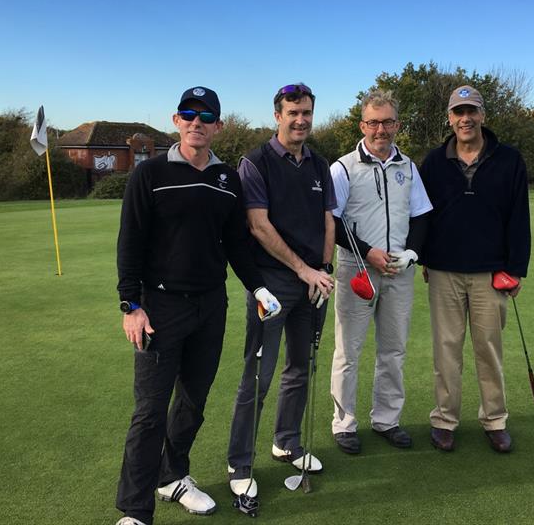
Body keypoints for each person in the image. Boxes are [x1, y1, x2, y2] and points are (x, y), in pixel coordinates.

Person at [114, 86, 280, 525]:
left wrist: (259, 288)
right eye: (188, 114)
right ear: (176, 120)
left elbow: (237, 244)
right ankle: (135, 510)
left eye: (206, 117)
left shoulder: (227, 179)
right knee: (150, 411)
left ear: (219, 126)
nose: (196, 122)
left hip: (211, 305)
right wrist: (131, 305)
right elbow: (129, 243)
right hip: (160, 307)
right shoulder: (148, 174)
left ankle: (174, 476)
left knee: (192, 401)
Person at [226, 83, 336, 499]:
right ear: (278, 116)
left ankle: (286, 441)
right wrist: (305, 269)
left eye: (306, 112)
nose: (301, 119)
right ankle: (239, 462)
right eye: (293, 112)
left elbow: (328, 221)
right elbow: (258, 226)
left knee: (300, 368)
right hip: (272, 286)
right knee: (259, 374)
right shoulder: (255, 163)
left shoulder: (319, 164)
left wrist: (323, 271)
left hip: (312, 281)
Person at [419, 85, 531, 454]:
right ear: (449, 118)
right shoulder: (434, 162)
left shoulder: (509, 159)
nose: (465, 119)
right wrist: (423, 258)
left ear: (483, 115)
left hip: (490, 272)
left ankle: (494, 420)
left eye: (472, 111)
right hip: (445, 271)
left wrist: (516, 269)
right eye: (458, 112)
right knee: (446, 350)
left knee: (488, 349)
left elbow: (519, 217)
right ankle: (445, 419)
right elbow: (423, 217)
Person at [329, 89, 432, 454]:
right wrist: (368, 252)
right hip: (357, 269)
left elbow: (420, 214)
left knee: (393, 350)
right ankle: (344, 424)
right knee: (349, 350)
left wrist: (412, 253)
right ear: (362, 125)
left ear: (397, 125)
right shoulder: (342, 168)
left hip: (398, 273)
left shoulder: (408, 167)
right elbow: (333, 223)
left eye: (388, 122)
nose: (380, 129)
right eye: (373, 122)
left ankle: (387, 419)